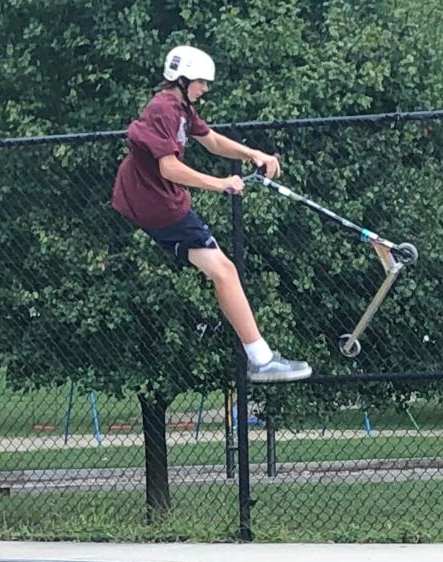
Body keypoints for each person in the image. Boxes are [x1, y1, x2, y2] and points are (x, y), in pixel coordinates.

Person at [111, 45, 312, 383]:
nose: (205, 88)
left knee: (223, 271)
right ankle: (261, 361)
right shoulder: (165, 109)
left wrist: (253, 154)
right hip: (159, 205)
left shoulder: (180, 108)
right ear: (184, 78)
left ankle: (260, 358)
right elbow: (170, 168)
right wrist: (222, 184)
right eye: (202, 82)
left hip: (153, 202)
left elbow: (212, 141)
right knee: (224, 271)